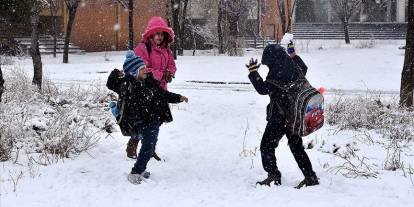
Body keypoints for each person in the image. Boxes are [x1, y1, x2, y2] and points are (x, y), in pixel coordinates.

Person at [107, 51, 188, 184]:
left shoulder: (149, 82)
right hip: (140, 121)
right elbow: (111, 84)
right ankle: (135, 172)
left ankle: (140, 169)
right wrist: (117, 71)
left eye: (144, 67)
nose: (145, 70)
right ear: (134, 72)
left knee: (148, 147)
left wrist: (178, 97)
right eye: (142, 69)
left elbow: (163, 94)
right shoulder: (127, 86)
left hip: (153, 120)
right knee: (148, 147)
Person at [246, 43, 319, 189]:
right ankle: (310, 177)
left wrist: (253, 72)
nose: (268, 66)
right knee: (296, 147)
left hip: (279, 119)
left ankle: (273, 175)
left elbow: (263, 89)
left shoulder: (276, 74)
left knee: (266, 146)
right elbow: (304, 67)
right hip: (295, 117)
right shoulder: (295, 68)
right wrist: (293, 54)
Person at [125, 16, 177, 159]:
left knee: (157, 121)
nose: (159, 37)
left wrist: (170, 73)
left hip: (160, 91)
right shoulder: (143, 48)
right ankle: (134, 144)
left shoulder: (167, 51)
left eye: (162, 34)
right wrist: (161, 74)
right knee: (145, 121)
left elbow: (172, 65)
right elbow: (141, 69)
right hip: (145, 92)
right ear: (151, 34)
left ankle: (150, 146)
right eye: (156, 33)